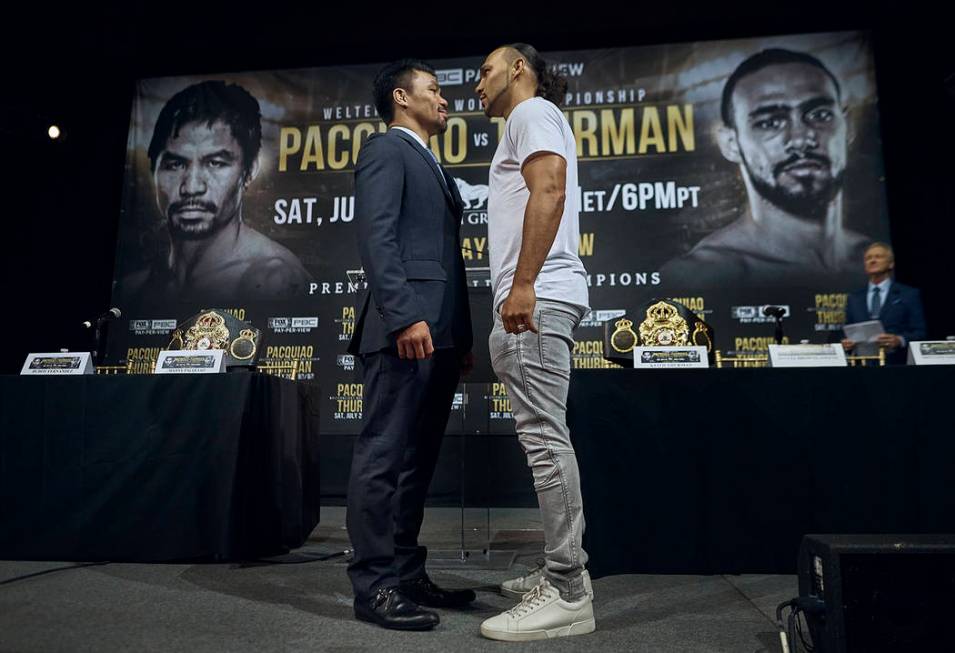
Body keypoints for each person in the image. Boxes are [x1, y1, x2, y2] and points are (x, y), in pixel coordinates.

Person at [345, 59, 474, 631]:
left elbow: (445, 259)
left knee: (416, 463)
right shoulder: (385, 150)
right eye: (435, 91)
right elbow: (378, 237)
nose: (445, 101)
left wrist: (460, 337)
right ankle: (373, 587)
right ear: (402, 97)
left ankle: (404, 571)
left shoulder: (432, 163)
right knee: (383, 457)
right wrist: (403, 317)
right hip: (405, 330)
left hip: (439, 338)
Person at [475, 43, 595, 641]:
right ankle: (561, 573)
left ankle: (570, 591)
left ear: (518, 68)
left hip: (537, 296)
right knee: (544, 440)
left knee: (545, 443)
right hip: (540, 293)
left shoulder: (529, 113)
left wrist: (522, 284)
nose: (477, 85)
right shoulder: (531, 119)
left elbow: (549, 190)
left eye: (485, 70)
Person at [661, 48, 869, 290]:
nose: (801, 139)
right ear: (731, 144)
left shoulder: (876, 262)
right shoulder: (697, 277)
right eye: (769, 123)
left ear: (848, 127)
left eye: (819, 115)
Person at [115, 80, 311, 304]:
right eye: (175, 164)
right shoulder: (131, 289)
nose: (191, 187)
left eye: (215, 163)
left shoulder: (274, 279)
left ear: (249, 171)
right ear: (154, 169)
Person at [842, 242, 926, 364]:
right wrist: (847, 343)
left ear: (891, 264)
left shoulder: (908, 295)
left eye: (878, 257)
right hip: (863, 368)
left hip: (898, 365)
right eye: (868, 258)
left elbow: (920, 332)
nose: (872, 260)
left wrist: (899, 340)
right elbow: (846, 332)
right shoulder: (854, 298)